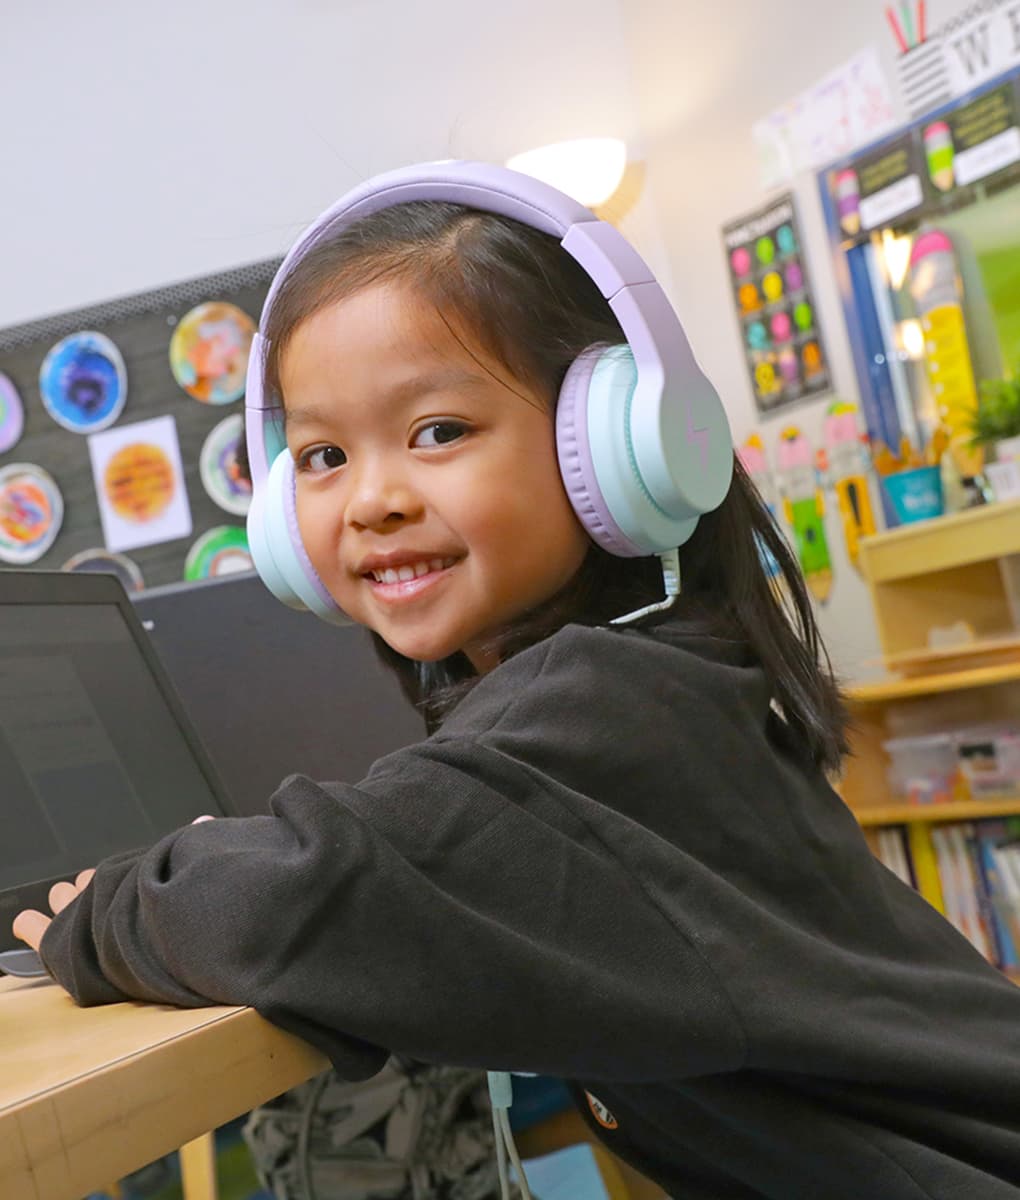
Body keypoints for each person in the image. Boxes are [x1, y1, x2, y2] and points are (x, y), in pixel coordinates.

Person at [14, 163, 1020, 1199]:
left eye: (437, 432)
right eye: (320, 455)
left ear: (613, 440)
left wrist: (109, 909)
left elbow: (314, 894)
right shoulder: (655, 672)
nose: (372, 499)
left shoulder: (604, 709)